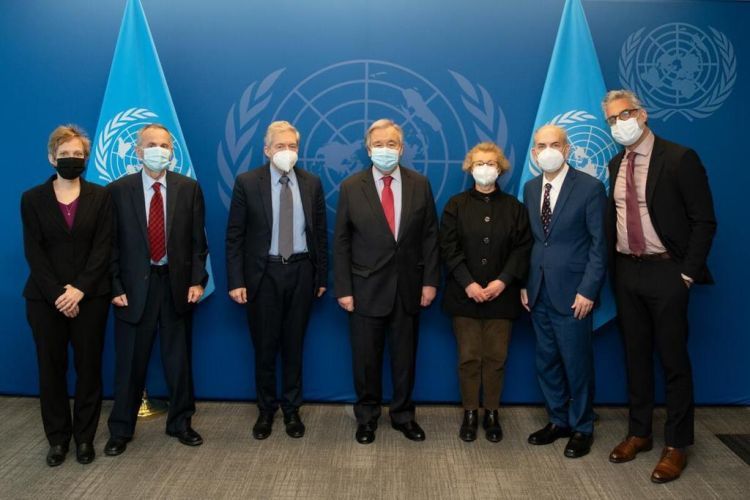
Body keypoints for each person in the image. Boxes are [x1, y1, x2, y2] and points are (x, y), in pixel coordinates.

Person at [602, 90, 716, 483]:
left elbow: (704, 220)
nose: (620, 124)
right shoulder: (615, 162)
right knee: (635, 357)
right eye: (612, 120)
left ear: (643, 113)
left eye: (625, 115)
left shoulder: (680, 158)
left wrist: (686, 273)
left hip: (668, 272)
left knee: (672, 360)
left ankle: (676, 444)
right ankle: (639, 433)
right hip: (626, 271)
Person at [104, 123, 209, 456]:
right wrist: (114, 285)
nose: (158, 150)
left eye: (164, 145)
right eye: (151, 144)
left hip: (175, 284)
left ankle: (181, 422)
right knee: (130, 363)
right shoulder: (118, 190)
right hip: (133, 288)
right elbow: (108, 246)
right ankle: (121, 429)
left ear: (172, 152)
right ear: (138, 150)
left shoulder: (188, 188)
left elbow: (198, 244)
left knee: (178, 361)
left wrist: (197, 280)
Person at [334, 119, 440, 444]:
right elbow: (341, 242)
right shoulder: (352, 186)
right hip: (365, 289)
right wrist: (344, 289)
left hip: (409, 288)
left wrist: (430, 282)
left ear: (402, 148)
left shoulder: (420, 183)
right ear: (368, 149)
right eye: (378, 144)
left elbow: (430, 237)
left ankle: (403, 415)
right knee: (366, 360)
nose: (385, 149)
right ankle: (367, 417)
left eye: (391, 143)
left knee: (405, 357)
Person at [226, 121, 328, 440]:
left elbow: (320, 235)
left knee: (294, 345)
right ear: (267, 150)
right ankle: (266, 410)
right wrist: (236, 280)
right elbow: (235, 236)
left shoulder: (311, 183)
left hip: (301, 272)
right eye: (280, 147)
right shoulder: (247, 182)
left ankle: (292, 409)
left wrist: (321, 276)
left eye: (293, 147)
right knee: (265, 347)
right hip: (263, 274)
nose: (287, 153)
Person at [21, 125, 112, 466]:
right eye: (65, 155)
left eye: (78, 155)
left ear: (86, 159)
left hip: (90, 298)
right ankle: (58, 439)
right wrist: (60, 294)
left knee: (89, 369)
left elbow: (103, 248)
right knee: (51, 369)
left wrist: (80, 289)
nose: (72, 160)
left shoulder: (101, 197)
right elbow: (34, 252)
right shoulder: (32, 199)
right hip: (45, 300)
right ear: (51, 158)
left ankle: (84, 438)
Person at [522, 124, 606, 459]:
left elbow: (600, 245)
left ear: (567, 149)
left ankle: (582, 427)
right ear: (534, 153)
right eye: (541, 145)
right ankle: (558, 421)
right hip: (539, 291)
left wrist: (589, 290)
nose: (548, 150)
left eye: (554, 144)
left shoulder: (589, 188)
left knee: (577, 363)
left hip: (574, 294)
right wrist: (526, 285)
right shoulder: (530, 189)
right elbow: (532, 242)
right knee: (547, 362)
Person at [439, 142, 531, 443]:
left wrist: (503, 281)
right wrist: (469, 284)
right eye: (479, 163)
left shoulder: (515, 208)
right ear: (469, 167)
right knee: (469, 357)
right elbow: (448, 249)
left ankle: (491, 412)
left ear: (500, 168)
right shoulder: (455, 205)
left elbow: (522, 249)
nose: (485, 169)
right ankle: (470, 413)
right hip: (464, 295)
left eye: (491, 163)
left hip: (501, 297)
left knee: (495, 357)